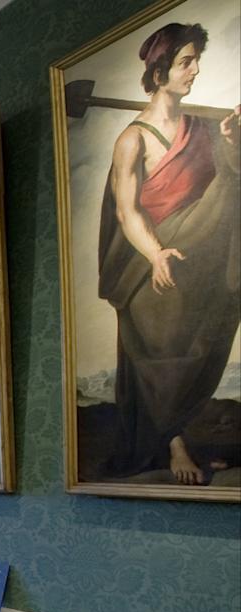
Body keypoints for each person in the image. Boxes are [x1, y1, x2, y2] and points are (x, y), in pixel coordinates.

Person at [99, 22, 240, 484]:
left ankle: (185, 436)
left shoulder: (202, 126)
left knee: (206, 333)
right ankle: (174, 442)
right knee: (161, 345)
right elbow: (126, 211)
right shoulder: (132, 139)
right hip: (147, 261)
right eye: (185, 62)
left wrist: (233, 143)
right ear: (160, 72)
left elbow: (224, 184)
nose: (195, 70)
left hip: (198, 251)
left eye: (196, 60)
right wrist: (156, 253)